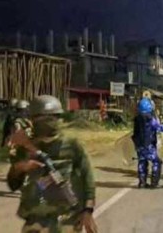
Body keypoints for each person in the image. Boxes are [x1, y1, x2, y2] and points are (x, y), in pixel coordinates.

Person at [7, 95, 98, 232]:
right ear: (33, 119)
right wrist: (20, 168)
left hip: (66, 221)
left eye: (54, 117)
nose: (51, 122)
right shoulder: (24, 147)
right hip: (35, 222)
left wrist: (88, 211)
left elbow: (88, 178)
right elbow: (13, 184)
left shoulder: (72, 145)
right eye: (43, 118)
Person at [132, 98, 163, 189]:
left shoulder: (137, 119)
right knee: (157, 162)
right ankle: (154, 183)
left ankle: (142, 183)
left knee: (142, 162)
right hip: (148, 145)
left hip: (138, 145)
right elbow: (159, 127)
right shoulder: (149, 119)